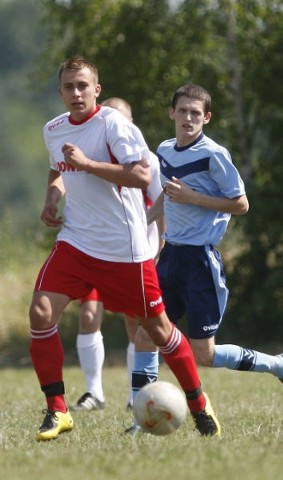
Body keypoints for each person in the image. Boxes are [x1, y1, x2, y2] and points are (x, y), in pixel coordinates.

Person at [31, 56, 219, 441]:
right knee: (40, 312)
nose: (77, 93)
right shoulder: (53, 129)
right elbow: (58, 168)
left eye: (83, 85)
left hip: (124, 250)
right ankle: (58, 410)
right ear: (61, 92)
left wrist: (87, 163)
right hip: (77, 242)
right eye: (69, 87)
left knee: (160, 330)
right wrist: (52, 197)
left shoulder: (114, 124)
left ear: (96, 89)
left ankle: (200, 406)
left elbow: (141, 175)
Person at [127, 84, 283, 432]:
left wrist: (194, 197)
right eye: (183, 111)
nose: (189, 118)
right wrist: (140, 225)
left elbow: (241, 204)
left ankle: (280, 365)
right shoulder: (164, 150)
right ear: (172, 113)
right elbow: (168, 195)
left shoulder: (214, 155)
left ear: (206, 118)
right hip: (170, 257)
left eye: (197, 113)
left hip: (201, 263)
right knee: (146, 333)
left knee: (204, 355)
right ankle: (140, 417)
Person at [70, 97, 163, 412]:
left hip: (132, 253)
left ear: (131, 123)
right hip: (91, 250)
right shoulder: (89, 155)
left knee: (135, 324)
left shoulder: (146, 159)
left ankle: (135, 394)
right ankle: (94, 393)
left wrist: (160, 244)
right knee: (87, 315)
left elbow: (159, 202)